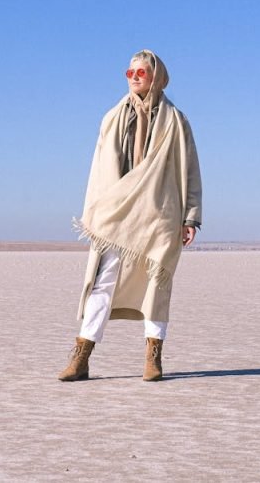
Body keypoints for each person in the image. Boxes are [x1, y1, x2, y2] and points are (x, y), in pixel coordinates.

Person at [59, 49, 202, 382]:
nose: (135, 77)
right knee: (102, 283)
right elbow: (98, 169)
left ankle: (153, 358)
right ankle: (81, 357)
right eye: (130, 73)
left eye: (142, 72)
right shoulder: (112, 117)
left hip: (160, 215)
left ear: (157, 77)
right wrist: (96, 212)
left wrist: (190, 217)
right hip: (118, 215)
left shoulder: (176, 121)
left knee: (157, 284)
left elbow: (190, 170)